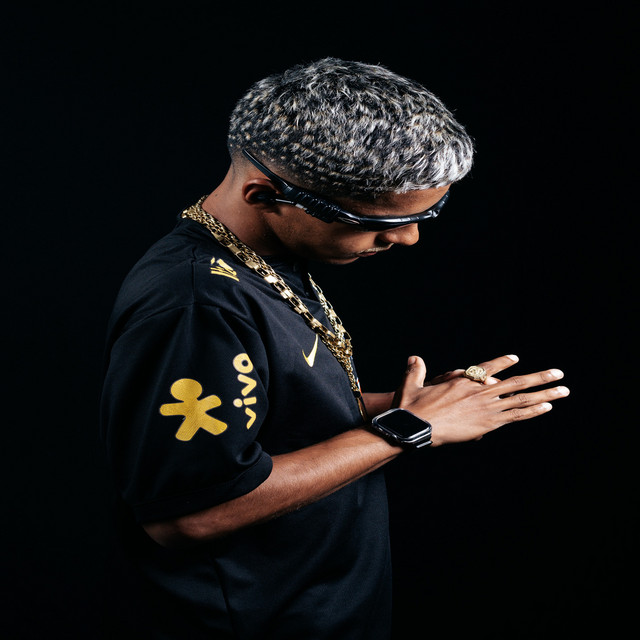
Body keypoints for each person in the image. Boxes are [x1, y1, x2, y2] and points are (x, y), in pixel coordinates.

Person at [100, 58, 569, 639]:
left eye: (426, 213)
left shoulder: (266, 259)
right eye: (377, 222)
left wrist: (420, 405)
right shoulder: (196, 305)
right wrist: (407, 428)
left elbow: (271, 415)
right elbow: (190, 514)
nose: (408, 237)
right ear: (265, 194)